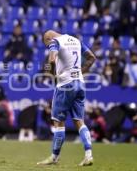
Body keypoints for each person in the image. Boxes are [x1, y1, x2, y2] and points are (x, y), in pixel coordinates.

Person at [37, 30, 96, 166]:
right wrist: (80, 71)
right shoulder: (76, 40)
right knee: (79, 121)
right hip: (80, 83)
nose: (48, 45)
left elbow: (52, 59)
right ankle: (88, 155)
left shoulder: (55, 42)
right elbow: (92, 57)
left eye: (47, 44)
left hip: (65, 84)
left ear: (48, 38)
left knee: (58, 121)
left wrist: (52, 75)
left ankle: (54, 157)